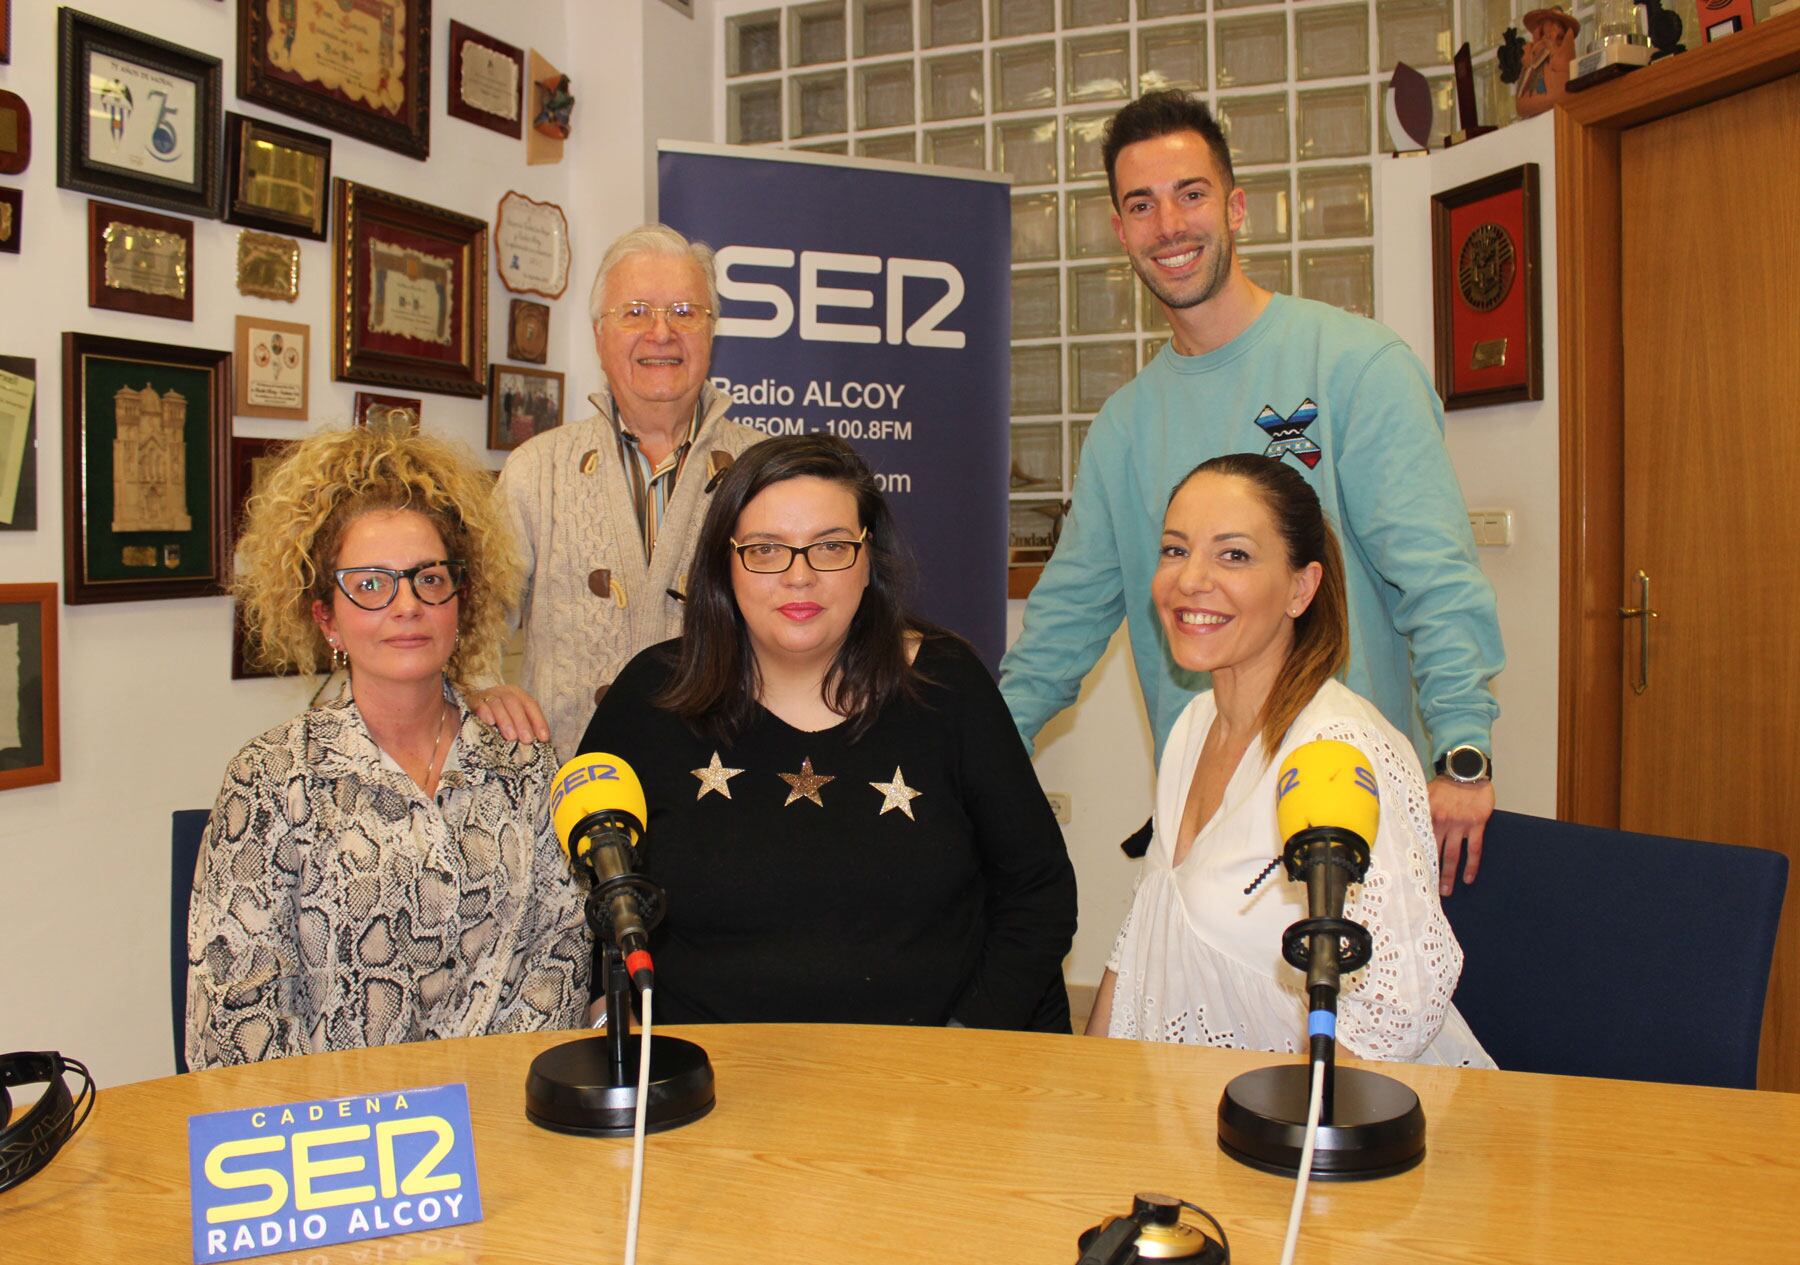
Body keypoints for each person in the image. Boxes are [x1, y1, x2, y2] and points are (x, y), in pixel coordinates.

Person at [999, 90, 1505, 894]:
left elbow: (1435, 577)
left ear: (1236, 208)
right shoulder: (1125, 428)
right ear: (1119, 231)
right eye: (1142, 205)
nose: (1169, 224)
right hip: (1201, 826)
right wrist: (982, 748)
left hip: (1346, 813)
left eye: (1190, 194)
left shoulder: (1355, 366)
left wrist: (1463, 751)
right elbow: (1062, 622)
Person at [578, 435, 1078, 1029]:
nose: (799, 577)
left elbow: (1038, 893)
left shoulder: (949, 688)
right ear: (724, 564)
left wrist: (962, 1046)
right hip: (702, 1083)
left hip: (923, 1086)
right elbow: (585, 892)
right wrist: (609, 1009)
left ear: (870, 560)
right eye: (765, 549)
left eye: (832, 547)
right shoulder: (650, 696)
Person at [187, 429, 590, 1069]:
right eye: (371, 585)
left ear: (462, 600)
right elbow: (239, 1023)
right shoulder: (271, 781)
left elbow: (559, 961)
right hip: (335, 1140)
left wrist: (495, 1112)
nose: (406, 606)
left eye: (429, 579)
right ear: (325, 618)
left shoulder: (524, 763)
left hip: (506, 1123)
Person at [1085, 455, 1491, 1066]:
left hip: (1318, 1128)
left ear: (1300, 588)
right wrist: (1091, 1092)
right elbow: (1145, 936)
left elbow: (1396, 1010)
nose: (1191, 579)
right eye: (1175, 550)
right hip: (1194, 1110)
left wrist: (1276, 1141)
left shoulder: (1344, 751)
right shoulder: (1195, 726)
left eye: (1234, 555)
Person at [475, 224, 765, 761]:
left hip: (724, 786)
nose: (661, 332)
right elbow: (473, 615)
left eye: (685, 312)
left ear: (711, 333)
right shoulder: (537, 469)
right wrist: (482, 686)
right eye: (634, 312)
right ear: (598, 335)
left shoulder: (766, 470)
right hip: (567, 793)